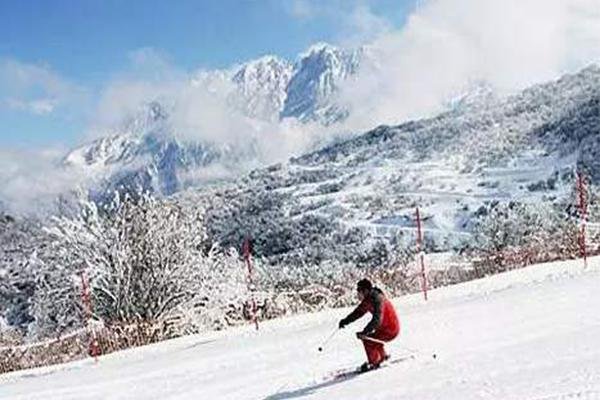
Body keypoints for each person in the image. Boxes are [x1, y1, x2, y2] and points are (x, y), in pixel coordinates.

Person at [338, 278, 400, 372]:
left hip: (391, 329)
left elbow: (377, 320)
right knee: (373, 338)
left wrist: (365, 332)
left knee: (367, 340)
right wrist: (345, 321)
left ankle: (374, 362)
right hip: (383, 328)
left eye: (359, 291)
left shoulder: (377, 299)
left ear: (366, 290)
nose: (358, 294)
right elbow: (358, 312)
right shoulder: (368, 299)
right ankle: (382, 357)